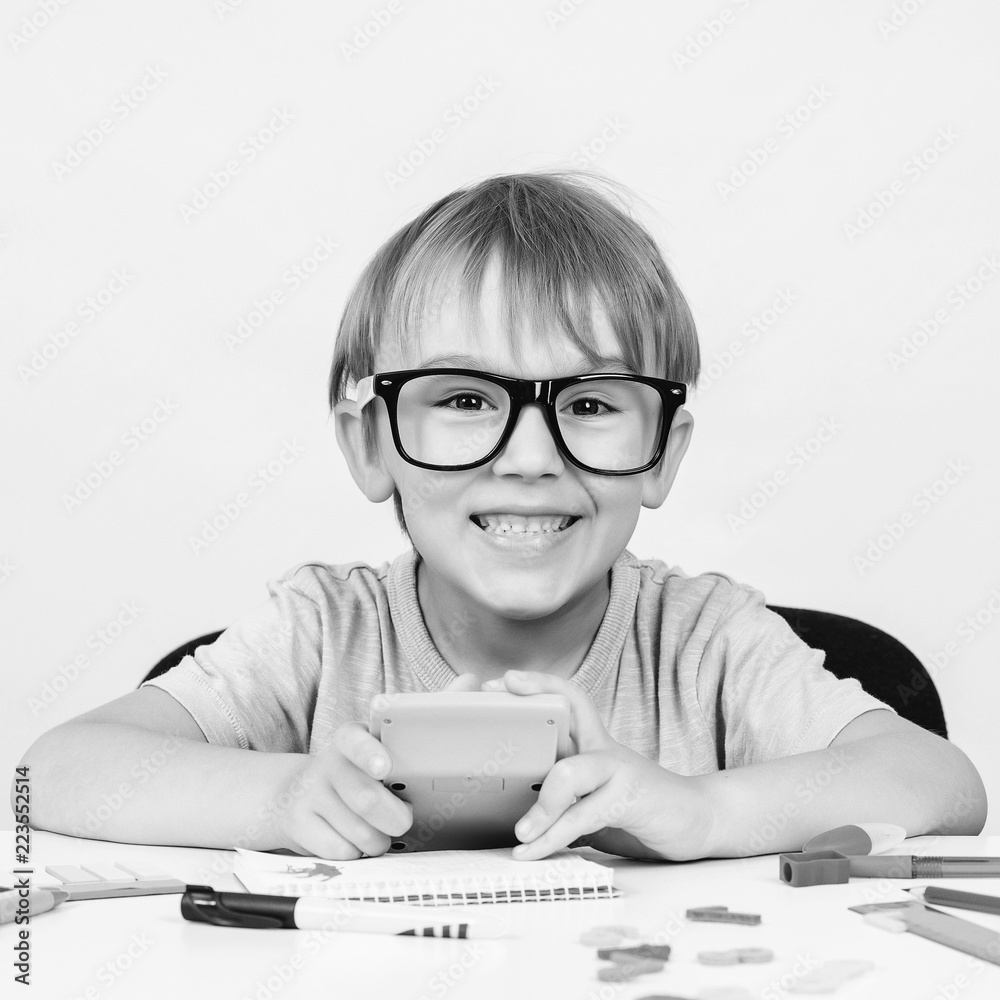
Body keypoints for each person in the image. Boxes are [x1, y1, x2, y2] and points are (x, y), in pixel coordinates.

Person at [16, 172, 986, 862]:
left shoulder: (704, 643)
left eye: (592, 405)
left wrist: (696, 809)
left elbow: (941, 786)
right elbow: (54, 769)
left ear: (662, 454)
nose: (531, 457)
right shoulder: (321, 632)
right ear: (368, 445)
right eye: (467, 401)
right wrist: (279, 796)